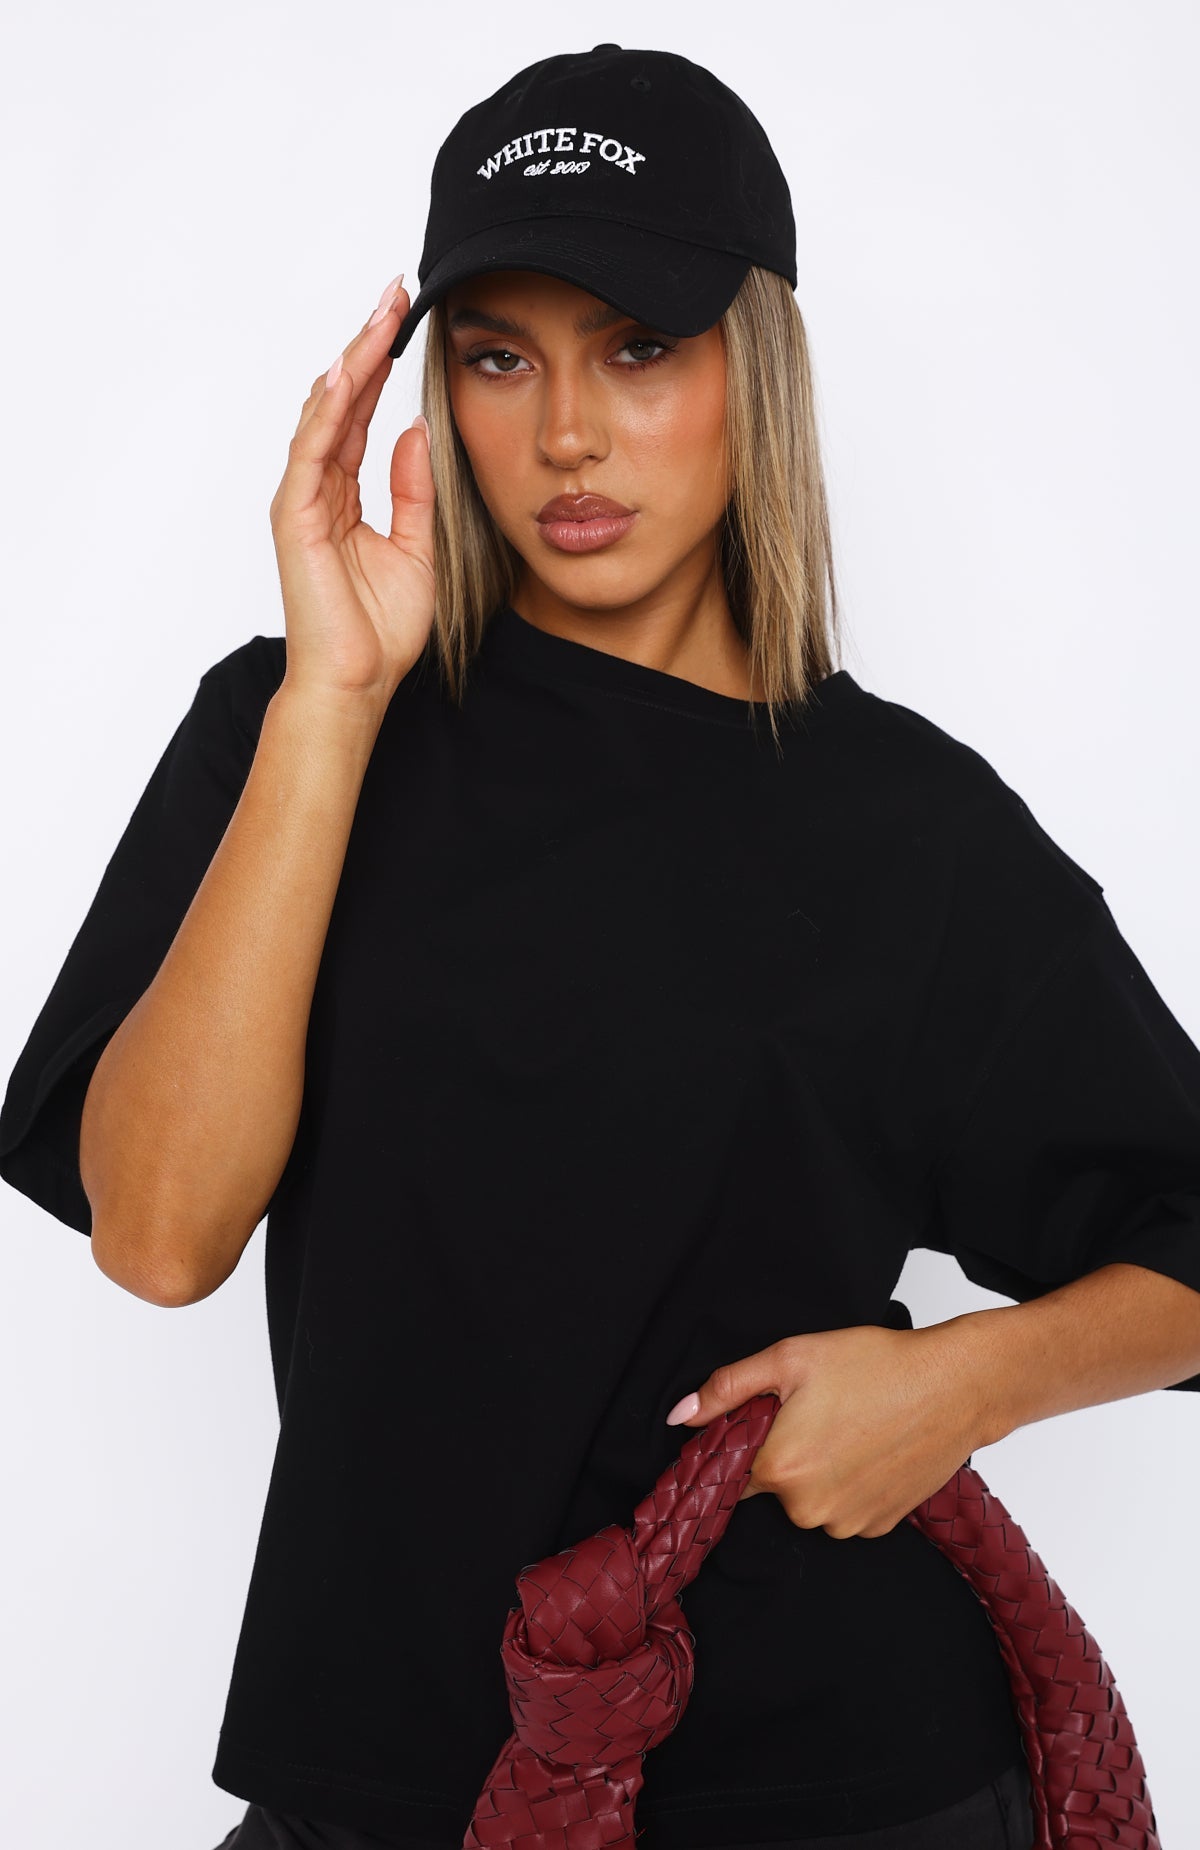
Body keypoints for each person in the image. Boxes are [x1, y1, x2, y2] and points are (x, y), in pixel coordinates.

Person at [2, 41, 1198, 1850]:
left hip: (838, 1788)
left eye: (639, 349)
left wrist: (959, 1383)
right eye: (501, 357)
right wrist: (333, 698)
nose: (567, 432)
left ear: (753, 365)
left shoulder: (909, 824)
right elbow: (158, 1236)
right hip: (387, 1772)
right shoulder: (294, 728)